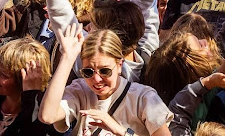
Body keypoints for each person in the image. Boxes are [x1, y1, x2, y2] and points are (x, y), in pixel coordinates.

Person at [38, 26, 173, 136]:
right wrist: (67, 58)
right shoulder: (80, 90)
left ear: (120, 65)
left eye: (105, 71)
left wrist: (120, 131)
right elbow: (47, 116)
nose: (96, 79)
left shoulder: (144, 98)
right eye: (88, 72)